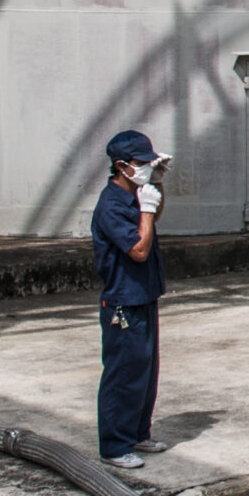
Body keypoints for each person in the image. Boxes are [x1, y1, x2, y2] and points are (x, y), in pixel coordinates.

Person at [90, 130, 169, 469]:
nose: (145, 169)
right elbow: (138, 248)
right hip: (123, 299)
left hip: (144, 295)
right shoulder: (111, 205)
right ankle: (114, 445)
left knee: (145, 371)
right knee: (123, 373)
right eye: (141, 164)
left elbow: (150, 221)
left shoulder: (133, 197)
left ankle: (137, 432)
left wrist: (158, 188)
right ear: (121, 166)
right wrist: (147, 210)